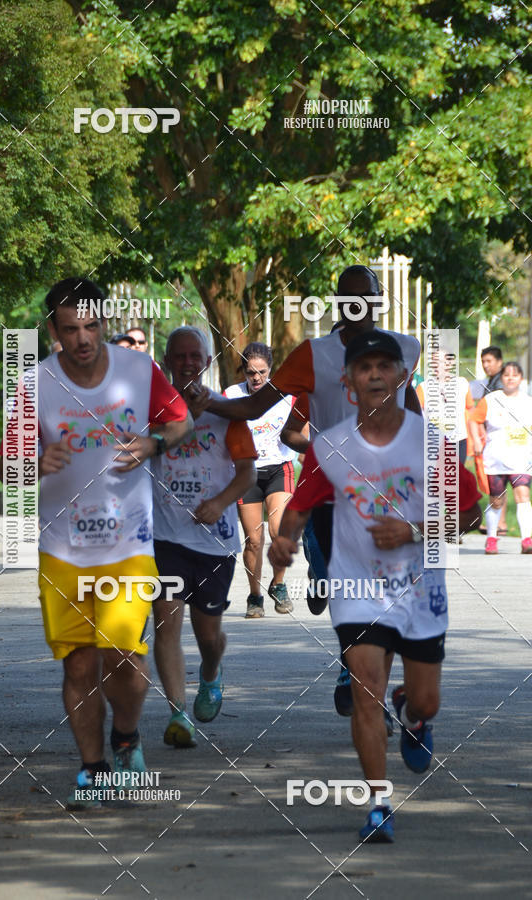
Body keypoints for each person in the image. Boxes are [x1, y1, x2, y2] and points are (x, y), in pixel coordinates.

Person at [191, 266, 421, 718]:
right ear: (338, 302)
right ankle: (356, 673)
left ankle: (367, 681)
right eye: (348, 297)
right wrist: (208, 401)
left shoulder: (406, 348)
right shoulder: (313, 355)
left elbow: (408, 404)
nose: (358, 305)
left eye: (366, 296)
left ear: (379, 301)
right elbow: (257, 404)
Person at [269, 331, 449, 843]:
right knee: (364, 691)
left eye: (384, 366)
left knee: (427, 700)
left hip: (418, 588)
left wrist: (414, 531)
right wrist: (284, 542)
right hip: (357, 588)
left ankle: (414, 716)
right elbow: (301, 506)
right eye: (363, 367)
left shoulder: (430, 442)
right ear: (347, 382)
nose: (374, 374)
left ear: (400, 376)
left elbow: (466, 510)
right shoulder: (331, 446)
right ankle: (378, 803)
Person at [37, 278, 191, 807]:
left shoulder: (139, 371)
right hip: (62, 548)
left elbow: (182, 424)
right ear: (53, 330)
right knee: (79, 664)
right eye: (70, 328)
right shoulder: (35, 384)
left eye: (91, 326)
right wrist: (34, 462)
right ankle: (93, 768)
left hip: (128, 543)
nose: (82, 338)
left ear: (104, 321)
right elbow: (8, 463)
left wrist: (152, 442)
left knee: (126, 658)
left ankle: (125, 734)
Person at [151, 327, 257, 748]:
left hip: (216, 541)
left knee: (208, 636)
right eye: (180, 356)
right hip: (165, 537)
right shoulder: (154, 409)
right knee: (165, 624)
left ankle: (211, 675)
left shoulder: (226, 411)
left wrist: (221, 501)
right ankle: (177, 714)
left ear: (208, 361)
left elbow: (248, 472)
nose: (189, 362)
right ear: (166, 361)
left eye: (196, 355)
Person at [224, 342, 299, 618]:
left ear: (271, 370)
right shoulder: (232, 395)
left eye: (262, 372)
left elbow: (301, 430)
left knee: (279, 531)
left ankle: (278, 585)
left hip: (279, 469)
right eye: (250, 372)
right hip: (247, 472)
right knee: (253, 540)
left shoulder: (286, 396)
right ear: (243, 371)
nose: (256, 378)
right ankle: (255, 596)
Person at [468, 361, 532, 555]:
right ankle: (492, 538)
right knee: (496, 500)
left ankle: (527, 540)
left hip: (521, 458)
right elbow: (474, 420)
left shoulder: (528, 401)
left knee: (523, 495)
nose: (510, 378)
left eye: (515, 374)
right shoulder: (491, 399)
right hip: (495, 458)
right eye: (506, 375)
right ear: (501, 378)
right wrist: (477, 441)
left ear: (520, 379)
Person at [469, 346, 508, 533]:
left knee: (498, 479)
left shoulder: (501, 383)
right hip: (492, 437)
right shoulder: (492, 381)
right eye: (483, 361)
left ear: (499, 362)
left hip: (499, 438)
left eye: (489, 361)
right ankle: (500, 521)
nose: (485, 365)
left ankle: (500, 522)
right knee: (498, 478)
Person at [416, 354, 474, 464]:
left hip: (458, 440)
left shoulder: (462, 383)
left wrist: (474, 437)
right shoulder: (423, 387)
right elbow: (415, 416)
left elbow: (470, 409)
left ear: (450, 363)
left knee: (458, 477)